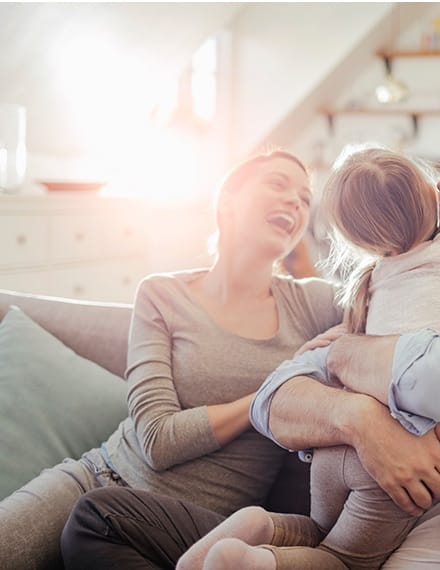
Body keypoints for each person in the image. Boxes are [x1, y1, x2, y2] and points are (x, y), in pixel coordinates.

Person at [60, 95, 440, 569]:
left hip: (425, 540)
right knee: (99, 515)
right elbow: (275, 397)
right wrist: (360, 419)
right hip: (355, 501)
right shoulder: (408, 268)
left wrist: (343, 358)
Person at [174, 146, 440, 570]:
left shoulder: (371, 280)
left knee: (318, 533)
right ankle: (256, 564)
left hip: (329, 455)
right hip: (391, 461)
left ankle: (260, 528)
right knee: (344, 561)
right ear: (427, 197)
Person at [0, 150, 343, 570]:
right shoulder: (162, 295)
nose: (295, 201)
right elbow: (157, 441)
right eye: (277, 184)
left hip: (194, 527)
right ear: (227, 202)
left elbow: (394, 301)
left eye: (306, 198)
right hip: (95, 478)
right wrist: (268, 396)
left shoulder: (313, 305)